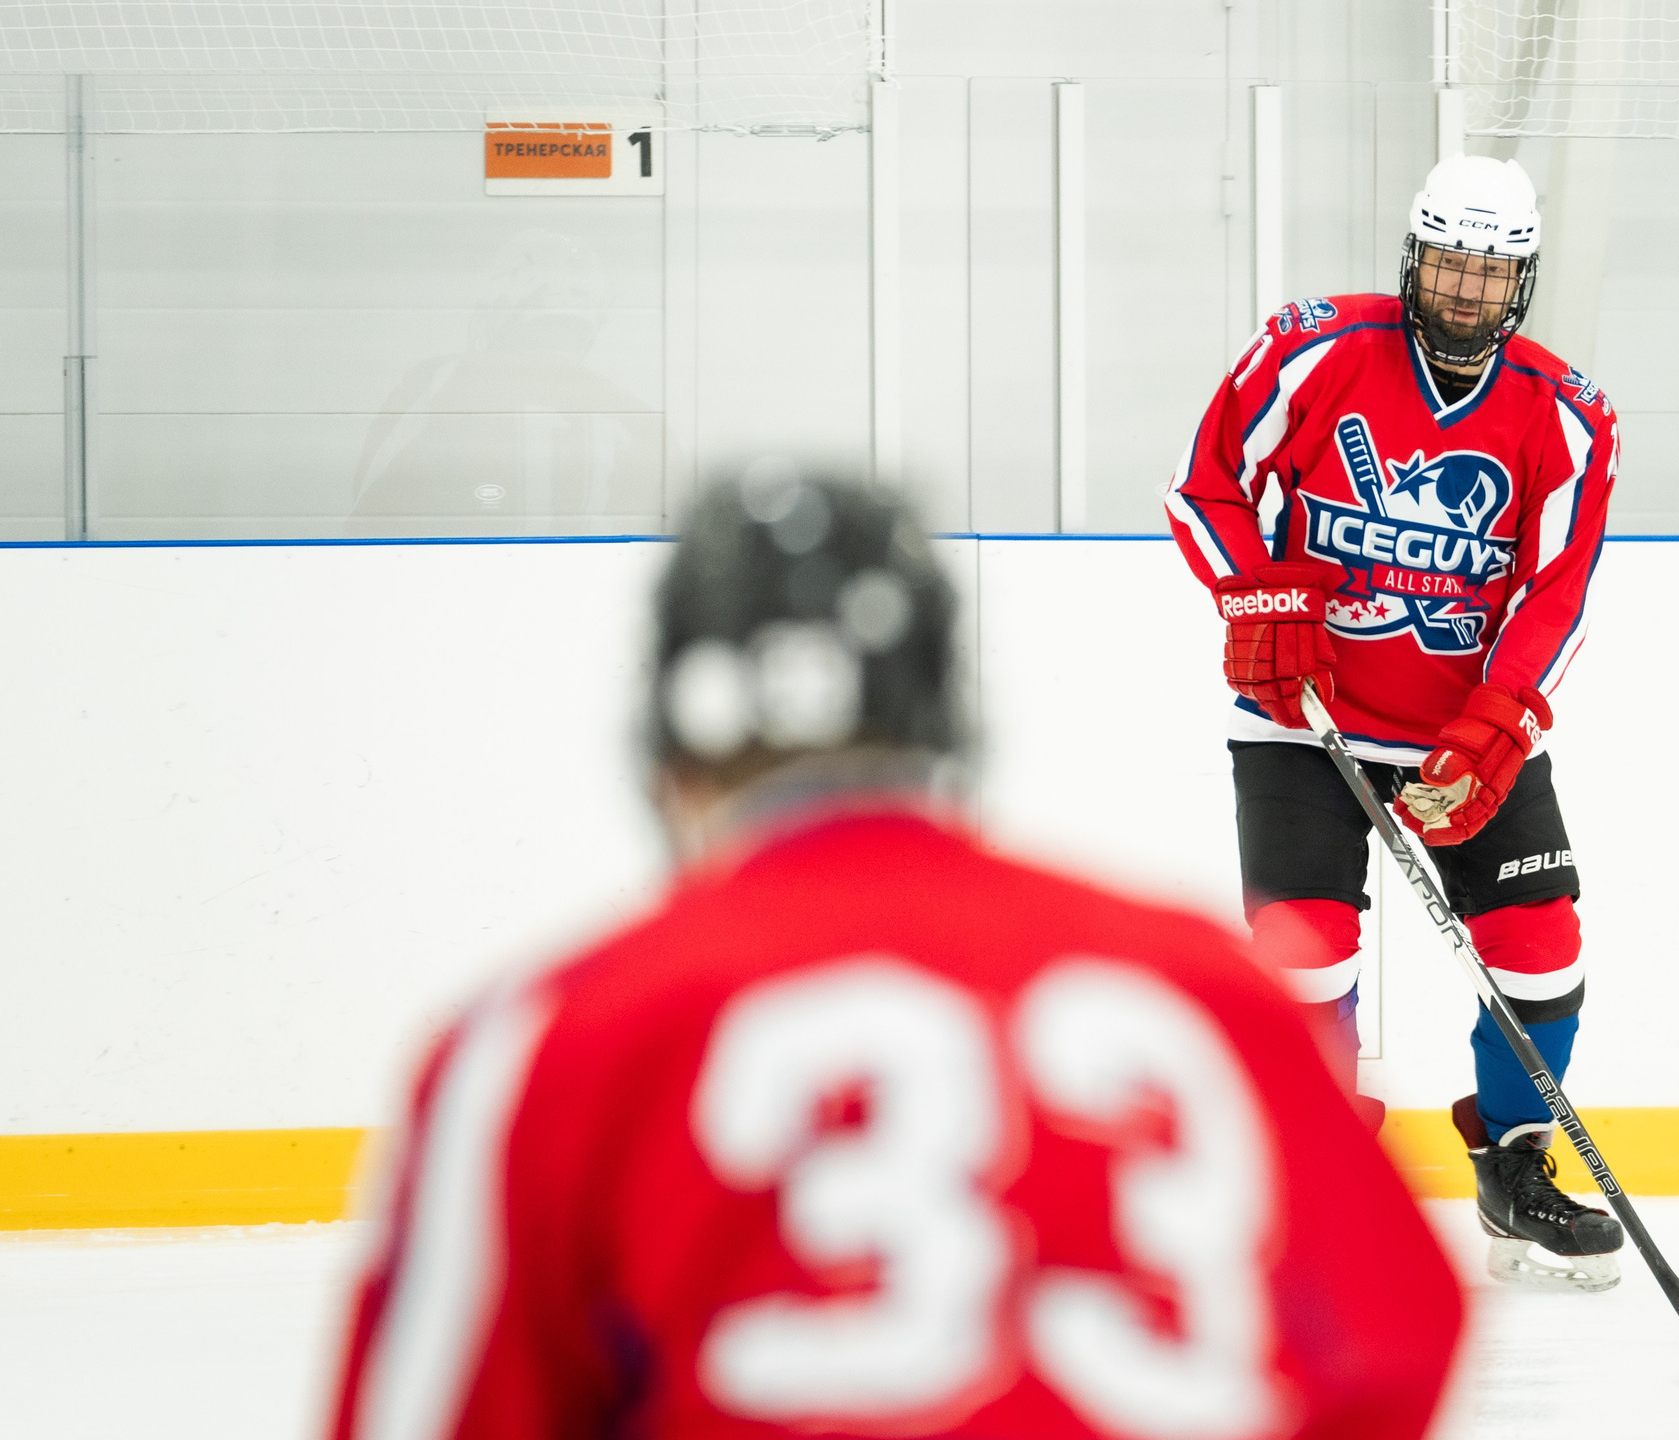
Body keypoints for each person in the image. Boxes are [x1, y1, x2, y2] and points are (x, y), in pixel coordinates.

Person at [327, 468, 1462, 1440]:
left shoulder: (546, 1040)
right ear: (947, 725)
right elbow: (1399, 1338)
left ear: (665, 755)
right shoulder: (1209, 986)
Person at [1166, 156, 1625, 1293]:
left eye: (1489, 274)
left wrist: (1496, 724)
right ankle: (1320, 1169)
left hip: (1459, 732)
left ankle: (1514, 1168)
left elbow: (1555, 590)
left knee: (1539, 947)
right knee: (1302, 955)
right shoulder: (1310, 349)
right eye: (1447, 266)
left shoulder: (1565, 418)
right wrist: (1260, 597)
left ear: (1520, 281)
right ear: (1414, 259)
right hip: (1301, 717)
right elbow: (1209, 486)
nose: (1464, 293)